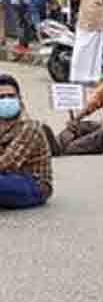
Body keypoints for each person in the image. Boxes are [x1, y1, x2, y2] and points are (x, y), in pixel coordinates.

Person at [0, 74, 52, 209]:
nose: (6, 100)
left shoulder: (29, 127)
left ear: (19, 98)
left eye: (11, 96)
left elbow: (7, 163)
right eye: (1, 97)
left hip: (33, 184)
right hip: (8, 177)